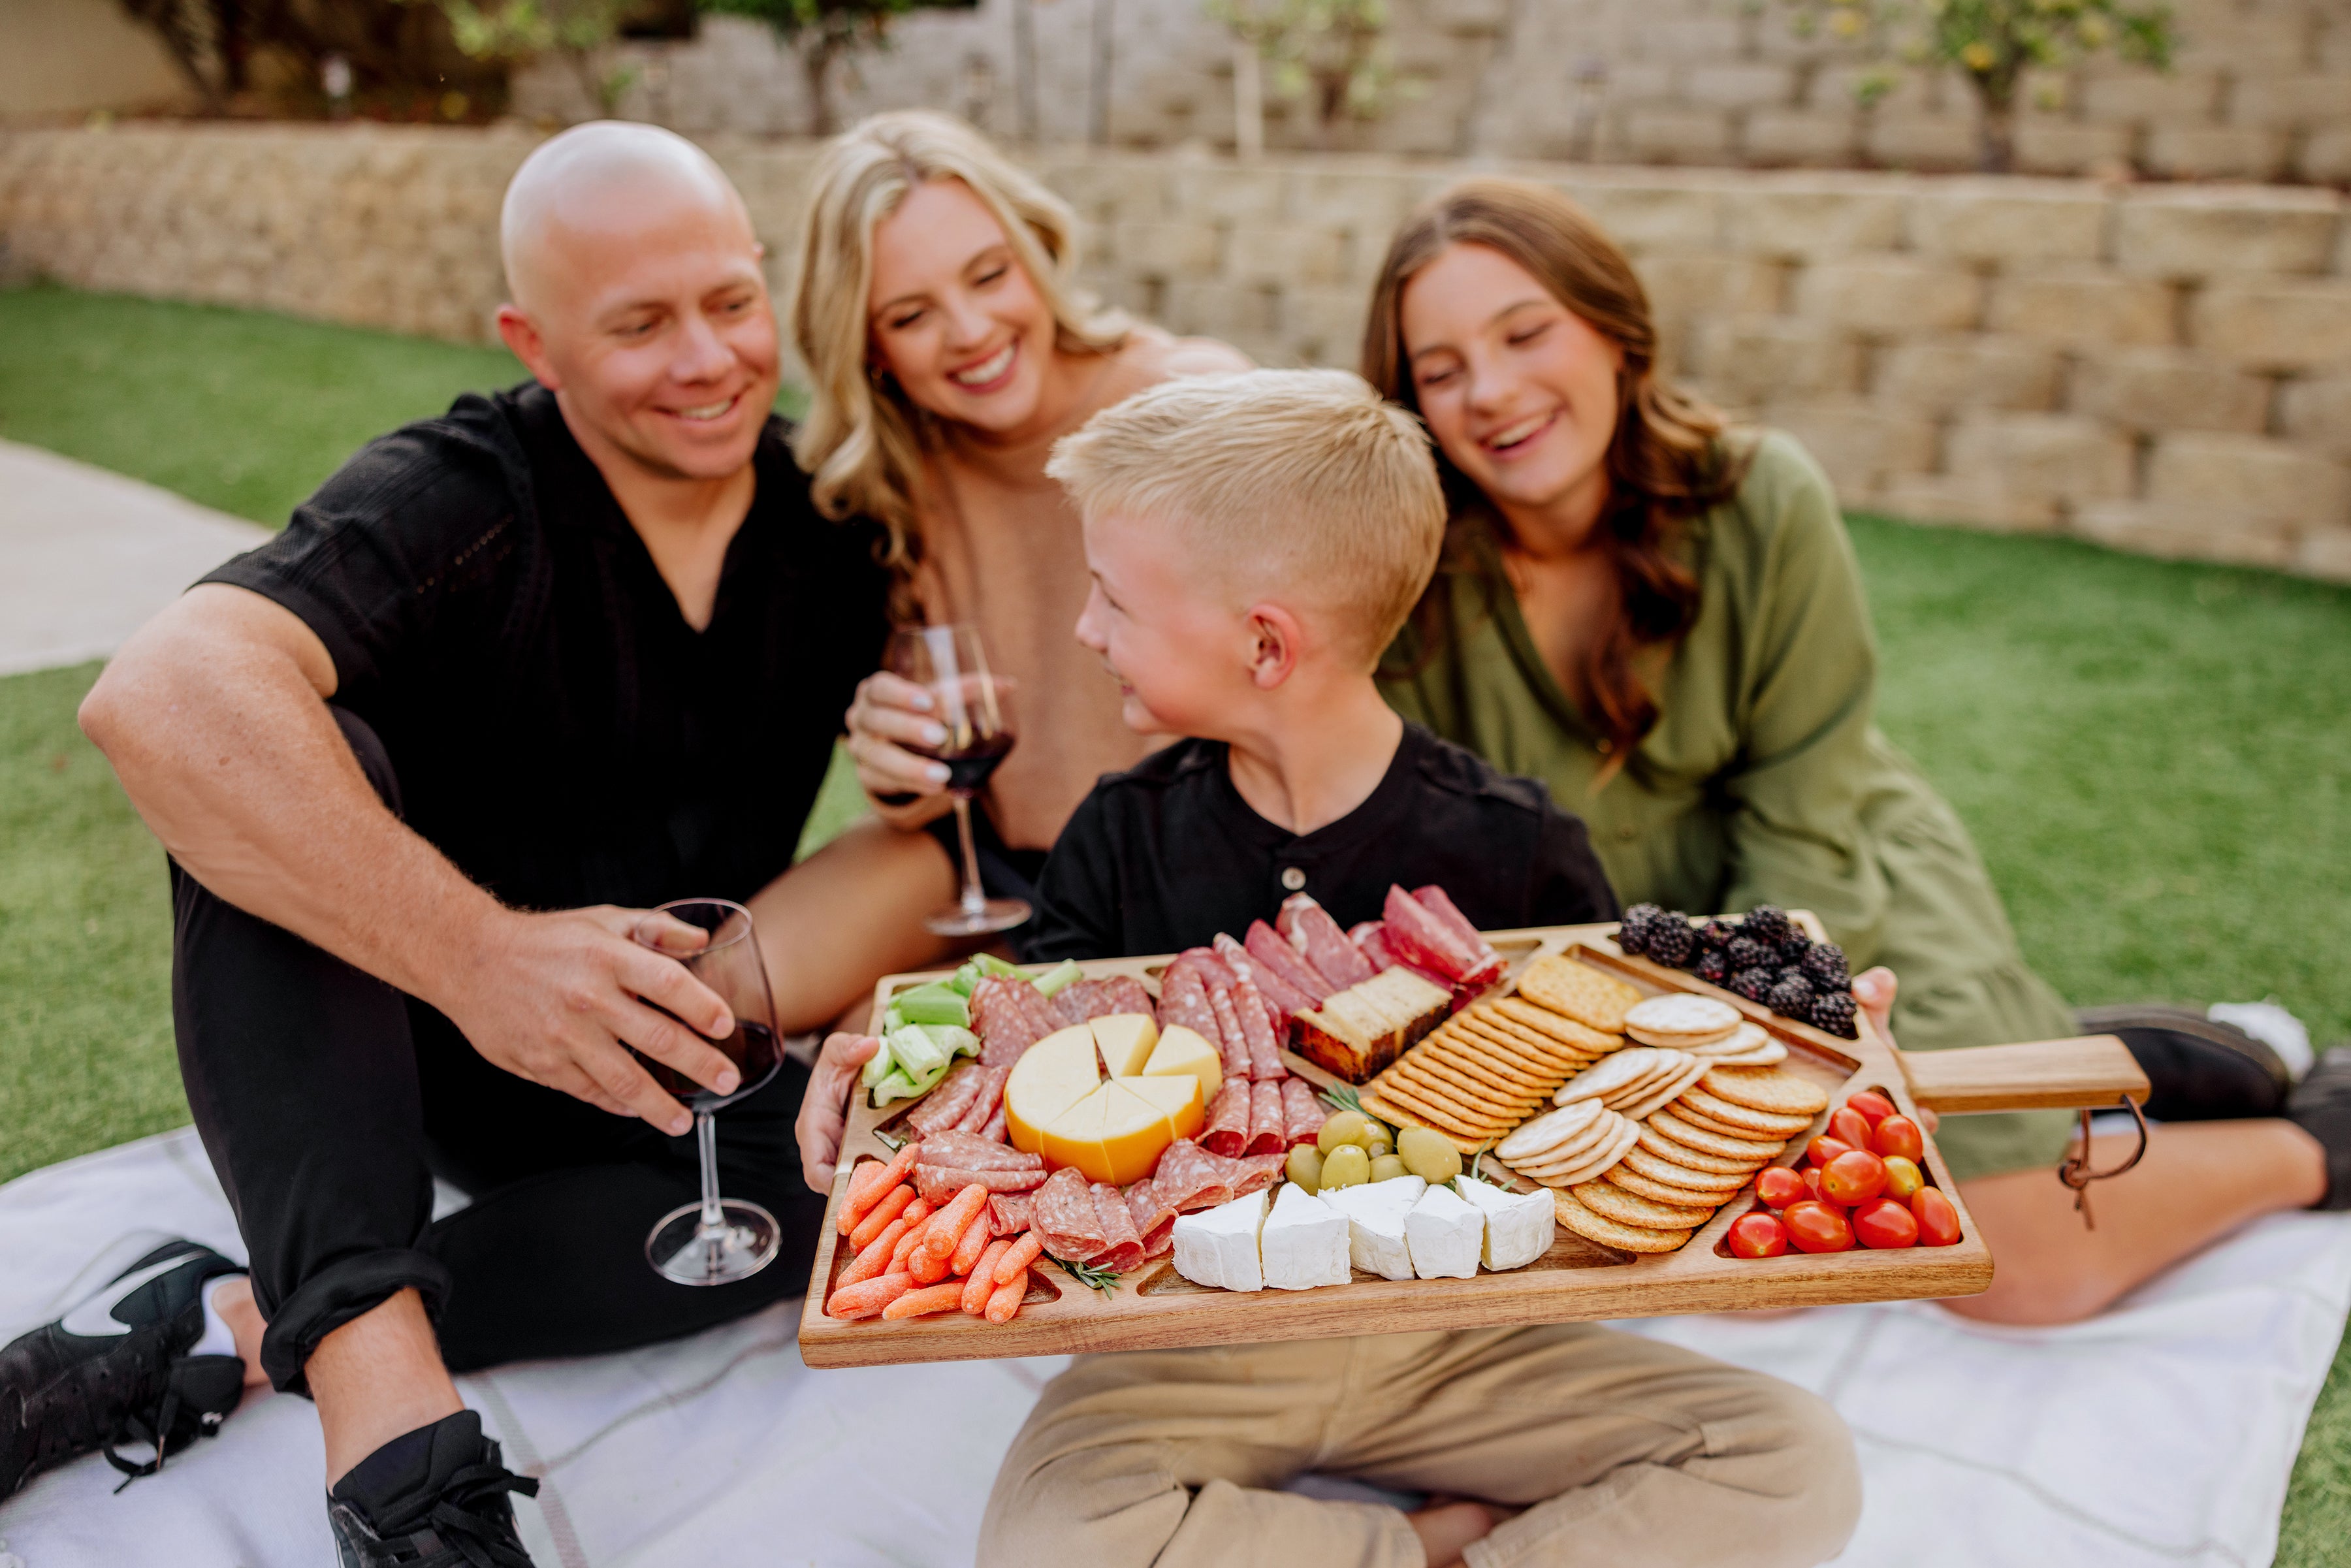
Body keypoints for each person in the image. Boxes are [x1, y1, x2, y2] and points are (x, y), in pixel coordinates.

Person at [32, 123, 910, 1565]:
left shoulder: (834, 521)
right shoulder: (465, 493)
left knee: (850, 1184)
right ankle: (404, 1466)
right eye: (639, 324)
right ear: (534, 344)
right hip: (396, 1057)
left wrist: (915, 729)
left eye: (730, 302)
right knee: (273, 756)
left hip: (654, 1056)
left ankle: (220, 1321)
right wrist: (478, 955)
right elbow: (158, 692)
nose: (707, 359)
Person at [1358, 176, 2351, 1326]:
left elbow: (1804, 814)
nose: (1490, 391)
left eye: (1526, 333)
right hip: (1625, 955)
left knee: (2019, 1268)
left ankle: (2314, 1138)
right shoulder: (1408, 572)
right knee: (1714, 1259)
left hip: (1831, 890)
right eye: (1442, 369)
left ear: (1616, 332)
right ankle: (2122, 1050)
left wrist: (1746, 1045)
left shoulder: (1763, 498)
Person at [982, 368, 1860, 1568]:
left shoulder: (1517, 845)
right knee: (1051, 1540)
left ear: (1266, 642)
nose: (1088, 629)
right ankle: (1423, 1549)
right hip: (1199, 1345)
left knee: (1795, 1462)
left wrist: (1810, 1068)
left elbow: (1634, 1080)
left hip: (1469, 1336)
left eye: (1113, 598)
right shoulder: (1117, 837)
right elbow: (1026, 1091)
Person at [796, 110, 1251, 929]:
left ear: (1036, 252)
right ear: (869, 349)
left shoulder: (1191, 401)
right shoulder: (896, 479)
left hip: (1188, 867)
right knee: (727, 976)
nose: (971, 332)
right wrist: (893, 758)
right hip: (993, 866)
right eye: (910, 316)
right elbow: (936, 766)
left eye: (989, 275)